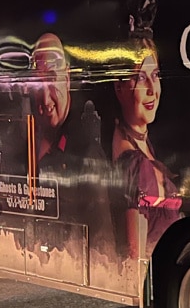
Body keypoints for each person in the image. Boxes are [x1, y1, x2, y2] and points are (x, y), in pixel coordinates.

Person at [29, 32, 117, 262]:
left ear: (67, 78)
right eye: (38, 83)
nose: (46, 99)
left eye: (51, 79)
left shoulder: (86, 153)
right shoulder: (23, 140)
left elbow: (102, 243)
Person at [111, 38, 180, 260]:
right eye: (141, 77)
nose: (152, 89)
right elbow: (135, 258)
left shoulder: (140, 142)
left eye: (155, 76)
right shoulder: (134, 164)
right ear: (119, 87)